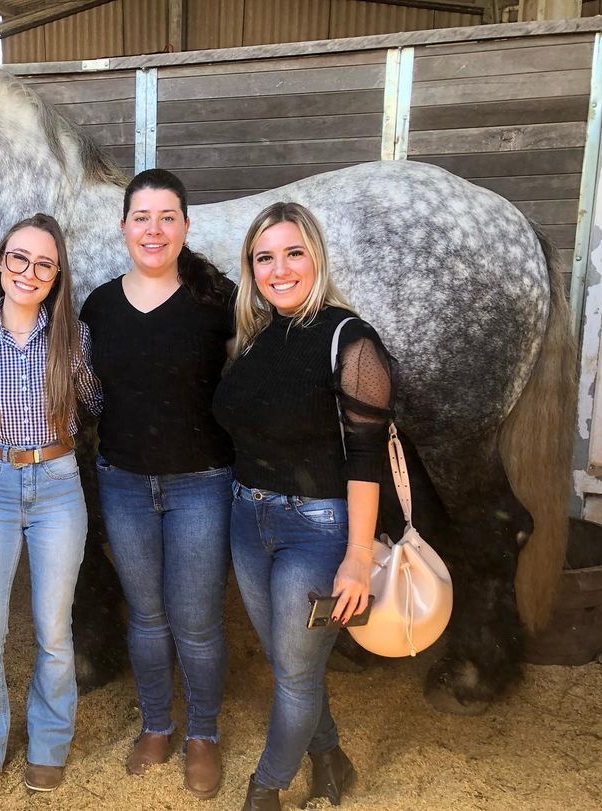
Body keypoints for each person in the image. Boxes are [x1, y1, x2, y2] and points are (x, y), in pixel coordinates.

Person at [212, 202, 395, 810]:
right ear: (251, 268)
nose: (279, 269)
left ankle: (263, 791)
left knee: (292, 675)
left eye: (294, 253)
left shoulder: (351, 339)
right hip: (246, 518)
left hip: (317, 529)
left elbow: (366, 460)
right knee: (292, 663)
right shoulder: (257, 338)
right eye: (265, 257)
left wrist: (358, 558)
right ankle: (331, 760)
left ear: (316, 256)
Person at [79, 169, 236, 800]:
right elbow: (83, 393)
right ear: (123, 228)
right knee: (146, 618)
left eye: (167, 217)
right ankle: (155, 725)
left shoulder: (215, 305)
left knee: (196, 621)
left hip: (201, 482)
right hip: (122, 483)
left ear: (186, 227)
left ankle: (202, 733)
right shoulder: (98, 306)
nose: (153, 229)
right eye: (141, 217)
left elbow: (245, 389)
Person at [0, 213, 101, 804]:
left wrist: (78, 365)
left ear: (56, 276)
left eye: (43, 264)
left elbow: (95, 402)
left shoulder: (72, 335)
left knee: (54, 631)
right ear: (1, 264)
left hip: (58, 484)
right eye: (19, 259)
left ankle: (49, 744)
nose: (29, 272)